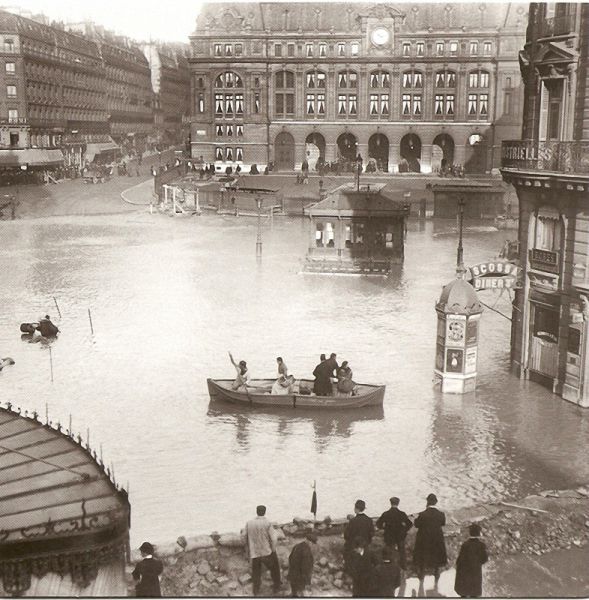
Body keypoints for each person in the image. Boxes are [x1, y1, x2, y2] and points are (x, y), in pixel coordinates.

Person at [244, 505, 281, 596]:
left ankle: (256, 590)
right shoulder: (267, 523)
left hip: (255, 552)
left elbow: (244, 536)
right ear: (264, 512)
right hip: (266, 551)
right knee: (275, 568)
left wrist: (248, 549)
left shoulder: (249, 523)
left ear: (256, 512)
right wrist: (272, 550)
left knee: (256, 572)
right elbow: (274, 538)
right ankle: (277, 586)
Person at [413, 493, 447, 585]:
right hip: (436, 537)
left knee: (422, 554)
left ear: (427, 502)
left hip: (424, 537)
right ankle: (436, 572)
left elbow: (417, 525)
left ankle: (422, 573)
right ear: (436, 502)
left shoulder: (422, 514)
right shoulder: (441, 514)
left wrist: (416, 518)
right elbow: (443, 523)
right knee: (436, 553)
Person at [376, 496, 413, 570]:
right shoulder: (402, 514)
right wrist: (404, 530)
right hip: (400, 536)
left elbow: (378, 524)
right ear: (398, 503)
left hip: (389, 537)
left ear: (390, 503)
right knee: (402, 553)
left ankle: (390, 568)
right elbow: (410, 524)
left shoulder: (386, 514)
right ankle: (403, 568)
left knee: (389, 553)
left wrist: (384, 528)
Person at [454, 523, 488, 598]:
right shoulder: (481, 545)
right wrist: (477, 563)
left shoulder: (465, 545)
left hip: (465, 572)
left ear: (470, 533)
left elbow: (459, 560)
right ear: (478, 534)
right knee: (474, 593)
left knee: (464, 592)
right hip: (475, 572)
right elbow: (485, 559)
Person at [344, 499, 374, 571]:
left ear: (356, 509)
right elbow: (372, 533)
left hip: (354, 548)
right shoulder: (369, 520)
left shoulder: (353, 521)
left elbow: (346, 535)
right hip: (365, 547)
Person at [288, 529, 317, 597]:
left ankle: (294, 594)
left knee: (294, 593)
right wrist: (307, 580)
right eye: (313, 543)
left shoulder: (297, 546)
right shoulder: (306, 551)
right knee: (300, 594)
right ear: (309, 542)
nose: (313, 545)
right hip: (300, 579)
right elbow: (306, 568)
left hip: (292, 576)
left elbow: (290, 558)